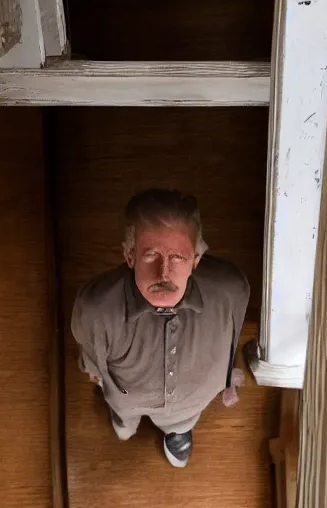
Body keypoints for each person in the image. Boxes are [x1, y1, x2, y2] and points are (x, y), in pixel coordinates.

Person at [70, 188, 250, 468]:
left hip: (192, 398)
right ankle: (125, 422)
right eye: (151, 255)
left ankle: (177, 429)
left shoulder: (231, 291)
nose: (163, 273)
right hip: (127, 397)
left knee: (182, 419)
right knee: (124, 419)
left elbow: (233, 336)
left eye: (178, 258)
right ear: (130, 255)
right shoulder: (96, 308)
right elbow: (91, 355)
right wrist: (96, 374)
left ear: (197, 259)